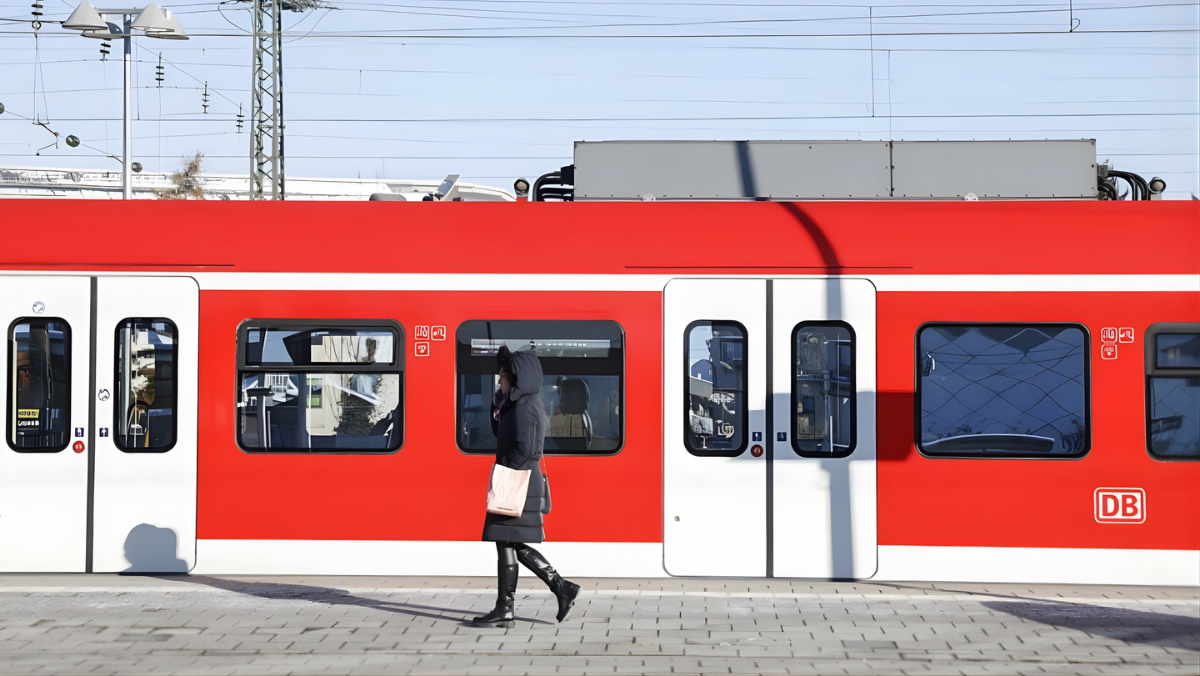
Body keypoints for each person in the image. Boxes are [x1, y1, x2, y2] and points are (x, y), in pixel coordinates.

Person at [473, 345, 581, 628]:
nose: (499, 380)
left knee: (507, 540)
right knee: (506, 540)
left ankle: (550, 590)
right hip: (514, 477)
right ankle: (540, 594)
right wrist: (497, 406)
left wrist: (508, 475)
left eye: (502, 376)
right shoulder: (516, 404)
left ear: (516, 377)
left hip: (517, 479)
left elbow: (528, 448)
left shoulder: (527, 406)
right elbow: (500, 435)